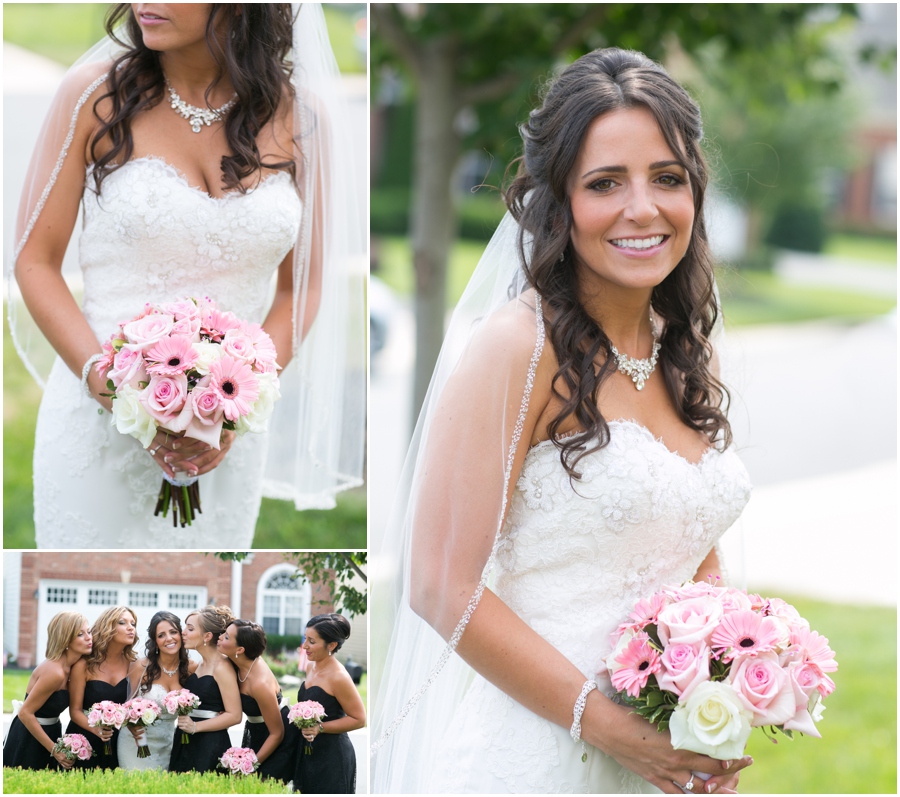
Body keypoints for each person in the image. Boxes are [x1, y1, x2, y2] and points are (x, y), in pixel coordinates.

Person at [371, 48, 754, 794]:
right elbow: (440, 586)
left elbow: (688, 543)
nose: (642, 208)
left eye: (667, 179)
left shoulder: (679, 348)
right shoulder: (517, 346)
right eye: (605, 182)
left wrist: (730, 674)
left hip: (663, 762)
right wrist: (614, 731)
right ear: (558, 203)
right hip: (534, 758)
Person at [9, 3, 364, 547]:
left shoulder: (303, 121)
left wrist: (231, 410)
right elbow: (34, 263)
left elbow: (305, 288)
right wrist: (117, 393)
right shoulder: (93, 98)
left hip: (223, 439)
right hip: (95, 427)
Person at [3, 612, 93, 770]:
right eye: (80, 634)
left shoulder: (72, 668)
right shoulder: (55, 672)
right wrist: (55, 750)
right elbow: (25, 713)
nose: (88, 637)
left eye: (89, 631)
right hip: (30, 736)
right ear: (65, 639)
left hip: (51, 731)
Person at [294, 614, 366, 794]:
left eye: (312, 641)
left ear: (331, 645)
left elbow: (359, 719)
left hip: (332, 756)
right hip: (308, 752)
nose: (305, 646)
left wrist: (320, 728)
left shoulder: (339, 677)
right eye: (305, 639)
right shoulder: (312, 666)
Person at [217, 619, 292, 783]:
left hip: (276, 737)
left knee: (262, 782)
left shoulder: (260, 684)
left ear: (240, 649)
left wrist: (251, 764)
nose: (220, 637)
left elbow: (277, 733)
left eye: (227, 637)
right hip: (256, 729)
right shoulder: (237, 662)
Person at [168, 605, 241, 772]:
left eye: (190, 628)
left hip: (209, 743)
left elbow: (235, 715)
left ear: (207, 636)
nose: (183, 632)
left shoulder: (222, 667)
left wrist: (195, 727)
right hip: (186, 739)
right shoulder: (199, 664)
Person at [118, 611, 195, 770]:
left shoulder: (192, 668)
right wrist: (131, 723)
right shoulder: (141, 666)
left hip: (168, 745)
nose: (169, 638)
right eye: (161, 635)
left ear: (181, 634)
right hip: (136, 743)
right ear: (155, 641)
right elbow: (127, 706)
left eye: (173, 632)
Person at [65, 605, 137, 769]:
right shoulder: (84, 664)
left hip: (118, 741)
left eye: (133, 624)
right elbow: (74, 711)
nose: (130, 628)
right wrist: (96, 729)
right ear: (108, 627)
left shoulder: (133, 665)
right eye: (122, 623)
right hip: (84, 738)